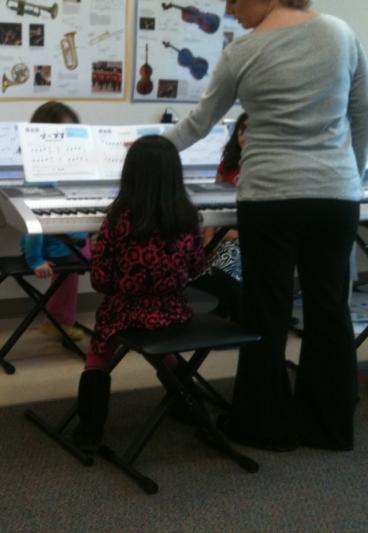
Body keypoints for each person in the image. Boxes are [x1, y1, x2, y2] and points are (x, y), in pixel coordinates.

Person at [163, 0, 368, 452]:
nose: (230, 12)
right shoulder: (341, 33)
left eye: (233, 0)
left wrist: (148, 148)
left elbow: (199, 123)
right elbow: (363, 115)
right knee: (329, 309)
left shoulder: (243, 51)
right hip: (335, 197)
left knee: (268, 310)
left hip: (271, 198)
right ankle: (329, 427)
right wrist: (352, 175)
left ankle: (266, 426)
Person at [72, 135, 206, 451]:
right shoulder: (188, 218)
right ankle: (191, 406)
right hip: (173, 310)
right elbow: (197, 267)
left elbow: (101, 279)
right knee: (164, 350)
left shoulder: (119, 220)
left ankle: (90, 430)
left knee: (98, 355)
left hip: (125, 311)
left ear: (130, 173)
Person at [20, 102, 90, 342]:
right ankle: (58, 319)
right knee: (114, 256)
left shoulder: (69, 166)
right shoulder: (41, 172)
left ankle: (58, 318)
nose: (68, 141)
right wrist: (35, 259)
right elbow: (34, 221)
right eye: (62, 134)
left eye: (72, 134)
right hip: (55, 244)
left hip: (70, 239)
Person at [190, 113, 248, 322]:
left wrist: (236, 233)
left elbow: (275, 218)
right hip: (223, 230)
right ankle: (226, 304)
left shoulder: (270, 168)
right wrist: (209, 237)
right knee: (182, 252)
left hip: (253, 235)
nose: (245, 135)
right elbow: (214, 205)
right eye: (242, 129)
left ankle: (240, 320)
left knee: (225, 260)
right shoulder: (227, 166)